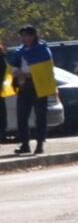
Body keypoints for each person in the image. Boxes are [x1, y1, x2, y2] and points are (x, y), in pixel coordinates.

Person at [6, 24, 53, 155]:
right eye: (22, 35)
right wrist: (16, 71)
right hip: (23, 86)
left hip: (38, 86)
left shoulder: (42, 50)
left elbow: (45, 70)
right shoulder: (20, 51)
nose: (23, 38)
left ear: (33, 35)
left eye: (26, 35)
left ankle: (40, 144)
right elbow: (13, 65)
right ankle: (25, 144)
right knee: (21, 117)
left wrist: (28, 73)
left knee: (40, 117)